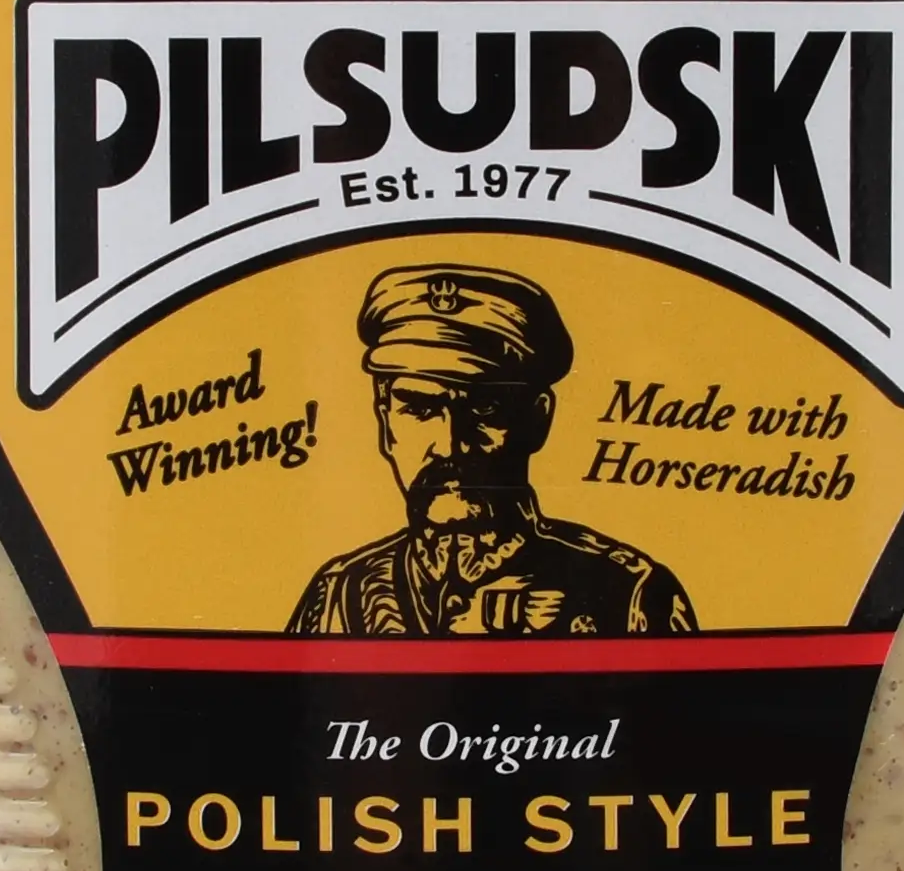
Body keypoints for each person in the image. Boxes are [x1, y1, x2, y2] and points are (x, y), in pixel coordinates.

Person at [285, 266, 697, 639]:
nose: (449, 444)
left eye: (484, 408)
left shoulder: (628, 596)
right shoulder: (338, 595)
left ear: (537, 419)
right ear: (385, 422)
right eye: (420, 409)